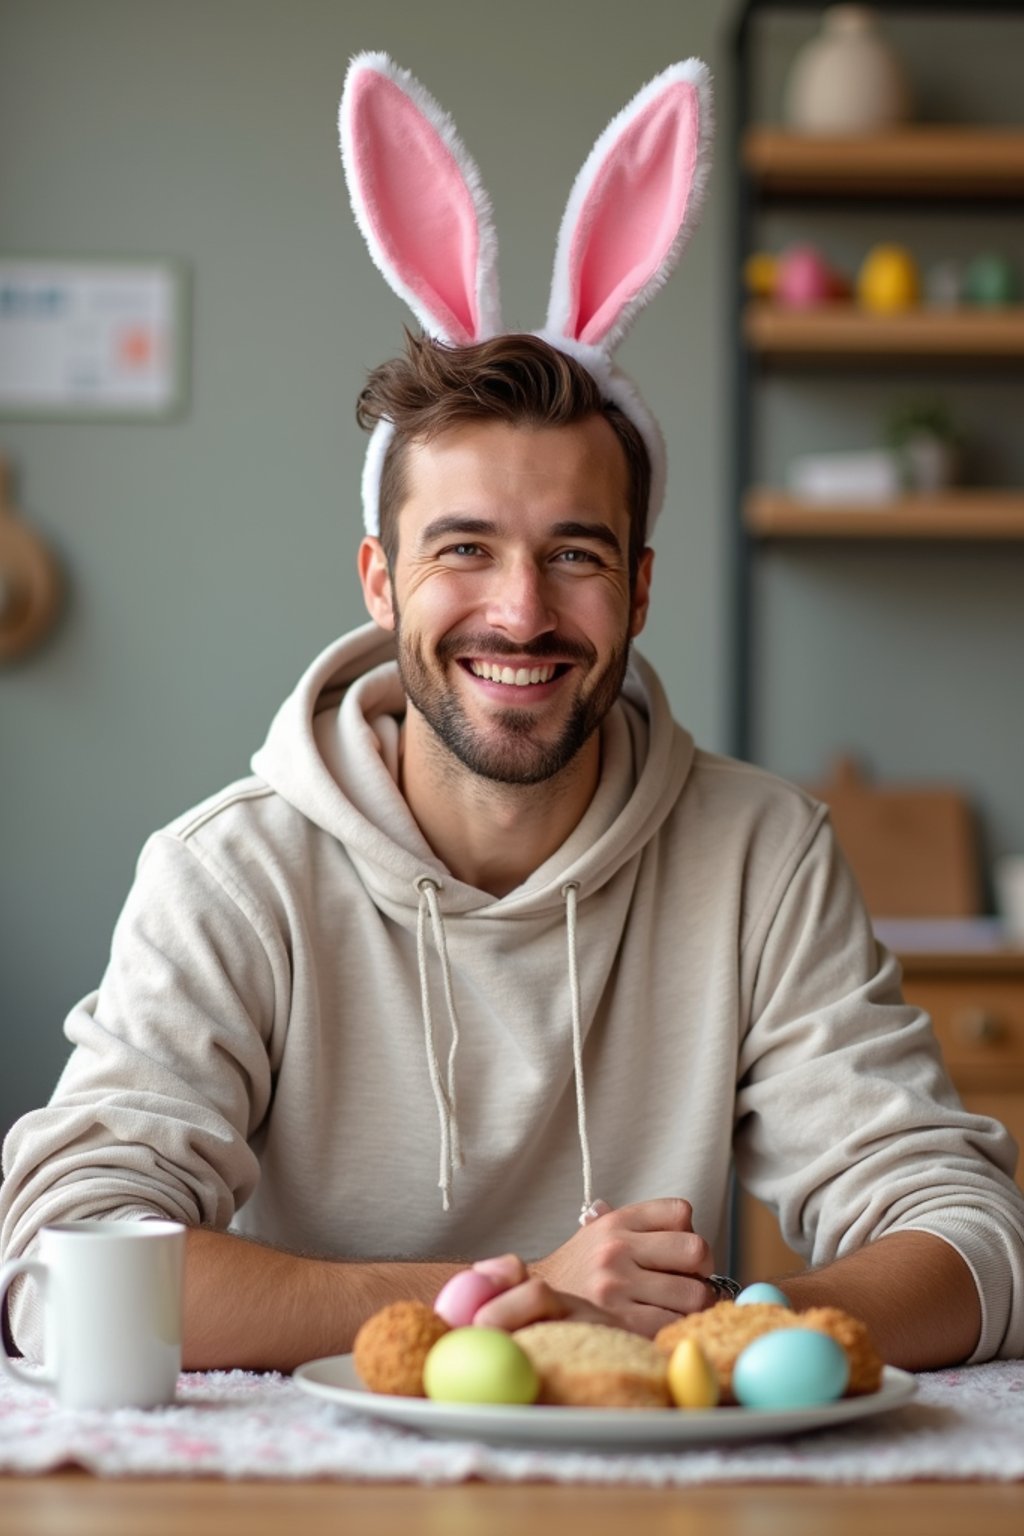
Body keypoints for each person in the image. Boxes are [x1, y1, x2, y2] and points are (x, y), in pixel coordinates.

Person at [3, 55, 1024, 1375]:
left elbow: (968, 1234)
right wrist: (512, 1297)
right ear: (382, 581)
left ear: (641, 587)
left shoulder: (761, 859)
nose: (523, 612)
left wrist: (729, 1342)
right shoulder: (231, 875)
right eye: (464, 550)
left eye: (579, 556)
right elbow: (64, 1262)